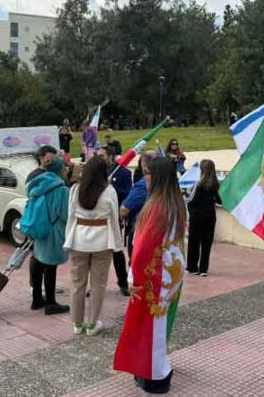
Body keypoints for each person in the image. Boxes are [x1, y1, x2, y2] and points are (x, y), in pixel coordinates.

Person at [114, 157, 187, 394]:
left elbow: (144, 248)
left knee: (149, 326)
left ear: (156, 177)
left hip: (153, 275)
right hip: (170, 273)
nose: (143, 177)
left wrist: (132, 277)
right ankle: (154, 369)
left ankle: (156, 375)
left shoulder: (158, 208)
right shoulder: (176, 203)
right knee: (158, 323)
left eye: (147, 173)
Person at [64, 157, 122, 336]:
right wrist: (117, 243)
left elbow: (71, 215)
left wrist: (69, 238)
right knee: (98, 284)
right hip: (102, 241)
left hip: (78, 239)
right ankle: (91, 324)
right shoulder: (109, 191)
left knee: (77, 283)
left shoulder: (75, 189)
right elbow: (114, 218)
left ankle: (77, 323)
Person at [26, 151, 71, 315]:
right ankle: (51, 303)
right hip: (54, 231)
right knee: (51, 266)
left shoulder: (37, 185)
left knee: (38, 263)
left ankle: (37, 298)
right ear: (59, 170)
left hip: (38, 228)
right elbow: (65, 214)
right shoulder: (61, 189)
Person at [97, 146, 132, 296]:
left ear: (111, 157)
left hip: (114, 217)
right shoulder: (95, 171)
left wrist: (112, 186)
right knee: (97, 253)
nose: (99, 159)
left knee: (117, 251)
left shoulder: (123, 173)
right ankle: (96, 284)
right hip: (97, 218)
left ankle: (123, 283)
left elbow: (128, 194)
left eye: (102, 156)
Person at [186, 160, 221, 276]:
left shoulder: (197, 185)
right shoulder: (216, 186)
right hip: (210, 216)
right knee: (207, 243)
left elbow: (190, 200)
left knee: (194, 242)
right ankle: (203, 269)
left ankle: (192, 267)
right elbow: (219, 201)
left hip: (197, 217)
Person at [121, 152, 156, 258]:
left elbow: (124, 209)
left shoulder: (143, 185)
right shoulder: (165, 181)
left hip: (140, 230)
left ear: (144, 164)